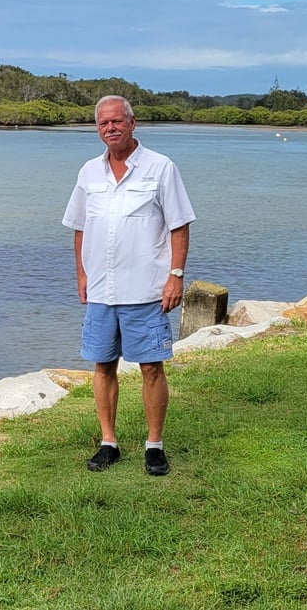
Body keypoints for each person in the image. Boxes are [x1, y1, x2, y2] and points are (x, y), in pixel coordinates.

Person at [62, 95, 196, 476]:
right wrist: (82, 274)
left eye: (117, 121)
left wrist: (176, 275)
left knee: (151, 367)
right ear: (97, 129)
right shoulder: (89, 172)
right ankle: (109, 442)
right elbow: (80, 227)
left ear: (132, 123)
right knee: (103, 365)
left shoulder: (160, 168)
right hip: (101, 290)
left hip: (147, 290)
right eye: (103, 123)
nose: (111, 128)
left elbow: (179, 226)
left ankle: (154, 445)